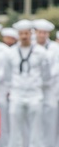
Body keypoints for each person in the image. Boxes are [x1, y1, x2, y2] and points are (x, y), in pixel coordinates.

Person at [5, 19, 50, 147]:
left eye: (26, 33)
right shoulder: (11, 52)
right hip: (17, 93)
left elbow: (46, 74)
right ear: (18, 35)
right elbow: (7, 74)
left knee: (36, 130)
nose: (24, 36)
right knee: (15, 129)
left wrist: (39, 84)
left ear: (31, 34)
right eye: (21, 34)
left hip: (35, 94)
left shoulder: (41, 52)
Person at [33, 19, 58, 147]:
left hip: (50, 90)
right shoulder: (30, 46)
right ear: (35, 32)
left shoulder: (55, 48)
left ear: (48, 34)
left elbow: (55, 69)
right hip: (33, 90)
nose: (42, 35)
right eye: (40, 32)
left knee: (50, 122)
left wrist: (43, 81)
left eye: (44, 32)